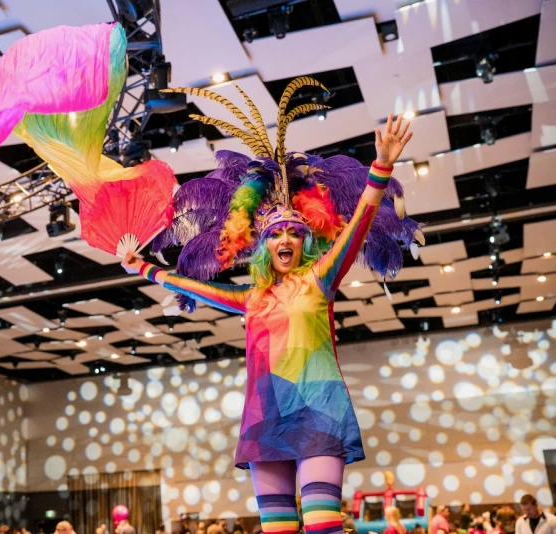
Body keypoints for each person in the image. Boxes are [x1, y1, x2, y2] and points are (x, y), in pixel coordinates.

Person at [124, 80, 418, 534]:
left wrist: (380, 167)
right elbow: (193, 287)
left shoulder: (320, 278)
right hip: (266, 416)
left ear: (305, 242)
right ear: (263, 245)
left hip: (319, 408)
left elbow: (359, 222)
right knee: (277, 530)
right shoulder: (250, 299)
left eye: (295, 234)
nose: (286, 239)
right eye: (276, 234)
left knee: (323, 527)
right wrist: (143, 268)